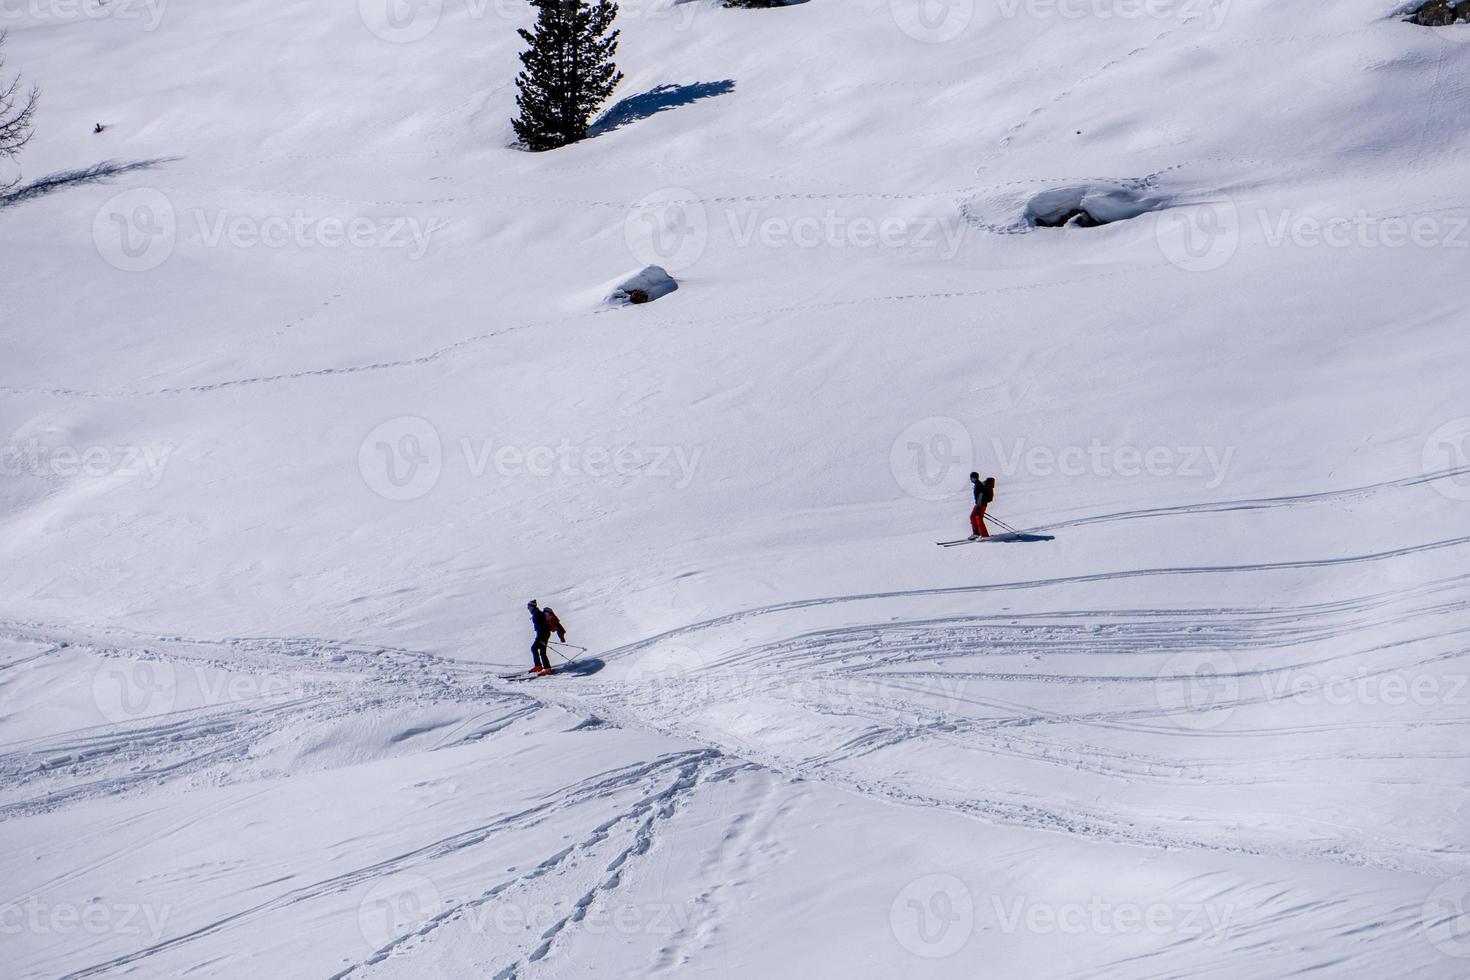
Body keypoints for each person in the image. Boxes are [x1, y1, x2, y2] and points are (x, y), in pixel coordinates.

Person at [526, 599, 566, 676]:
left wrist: (540, 637)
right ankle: (539, 666)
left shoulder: (537, 614)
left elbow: (542, 626)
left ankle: (546, 668)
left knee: (539, 650)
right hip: (543, 634)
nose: (528, 609)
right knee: (535, 649)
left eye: (528, 607)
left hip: (542, 634)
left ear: (532, 607)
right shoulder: (537, 613)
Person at [969, 473, 995, 540]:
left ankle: (984, 535)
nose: (970, 479)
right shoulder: (978, 484)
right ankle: (976, 533)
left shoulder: (978, 485)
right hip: (979, 504)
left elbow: (980, 496)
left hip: (981, 504)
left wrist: (978, 507)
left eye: (971, 478)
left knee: (979, 519)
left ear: (974, 478)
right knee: (972, 517)